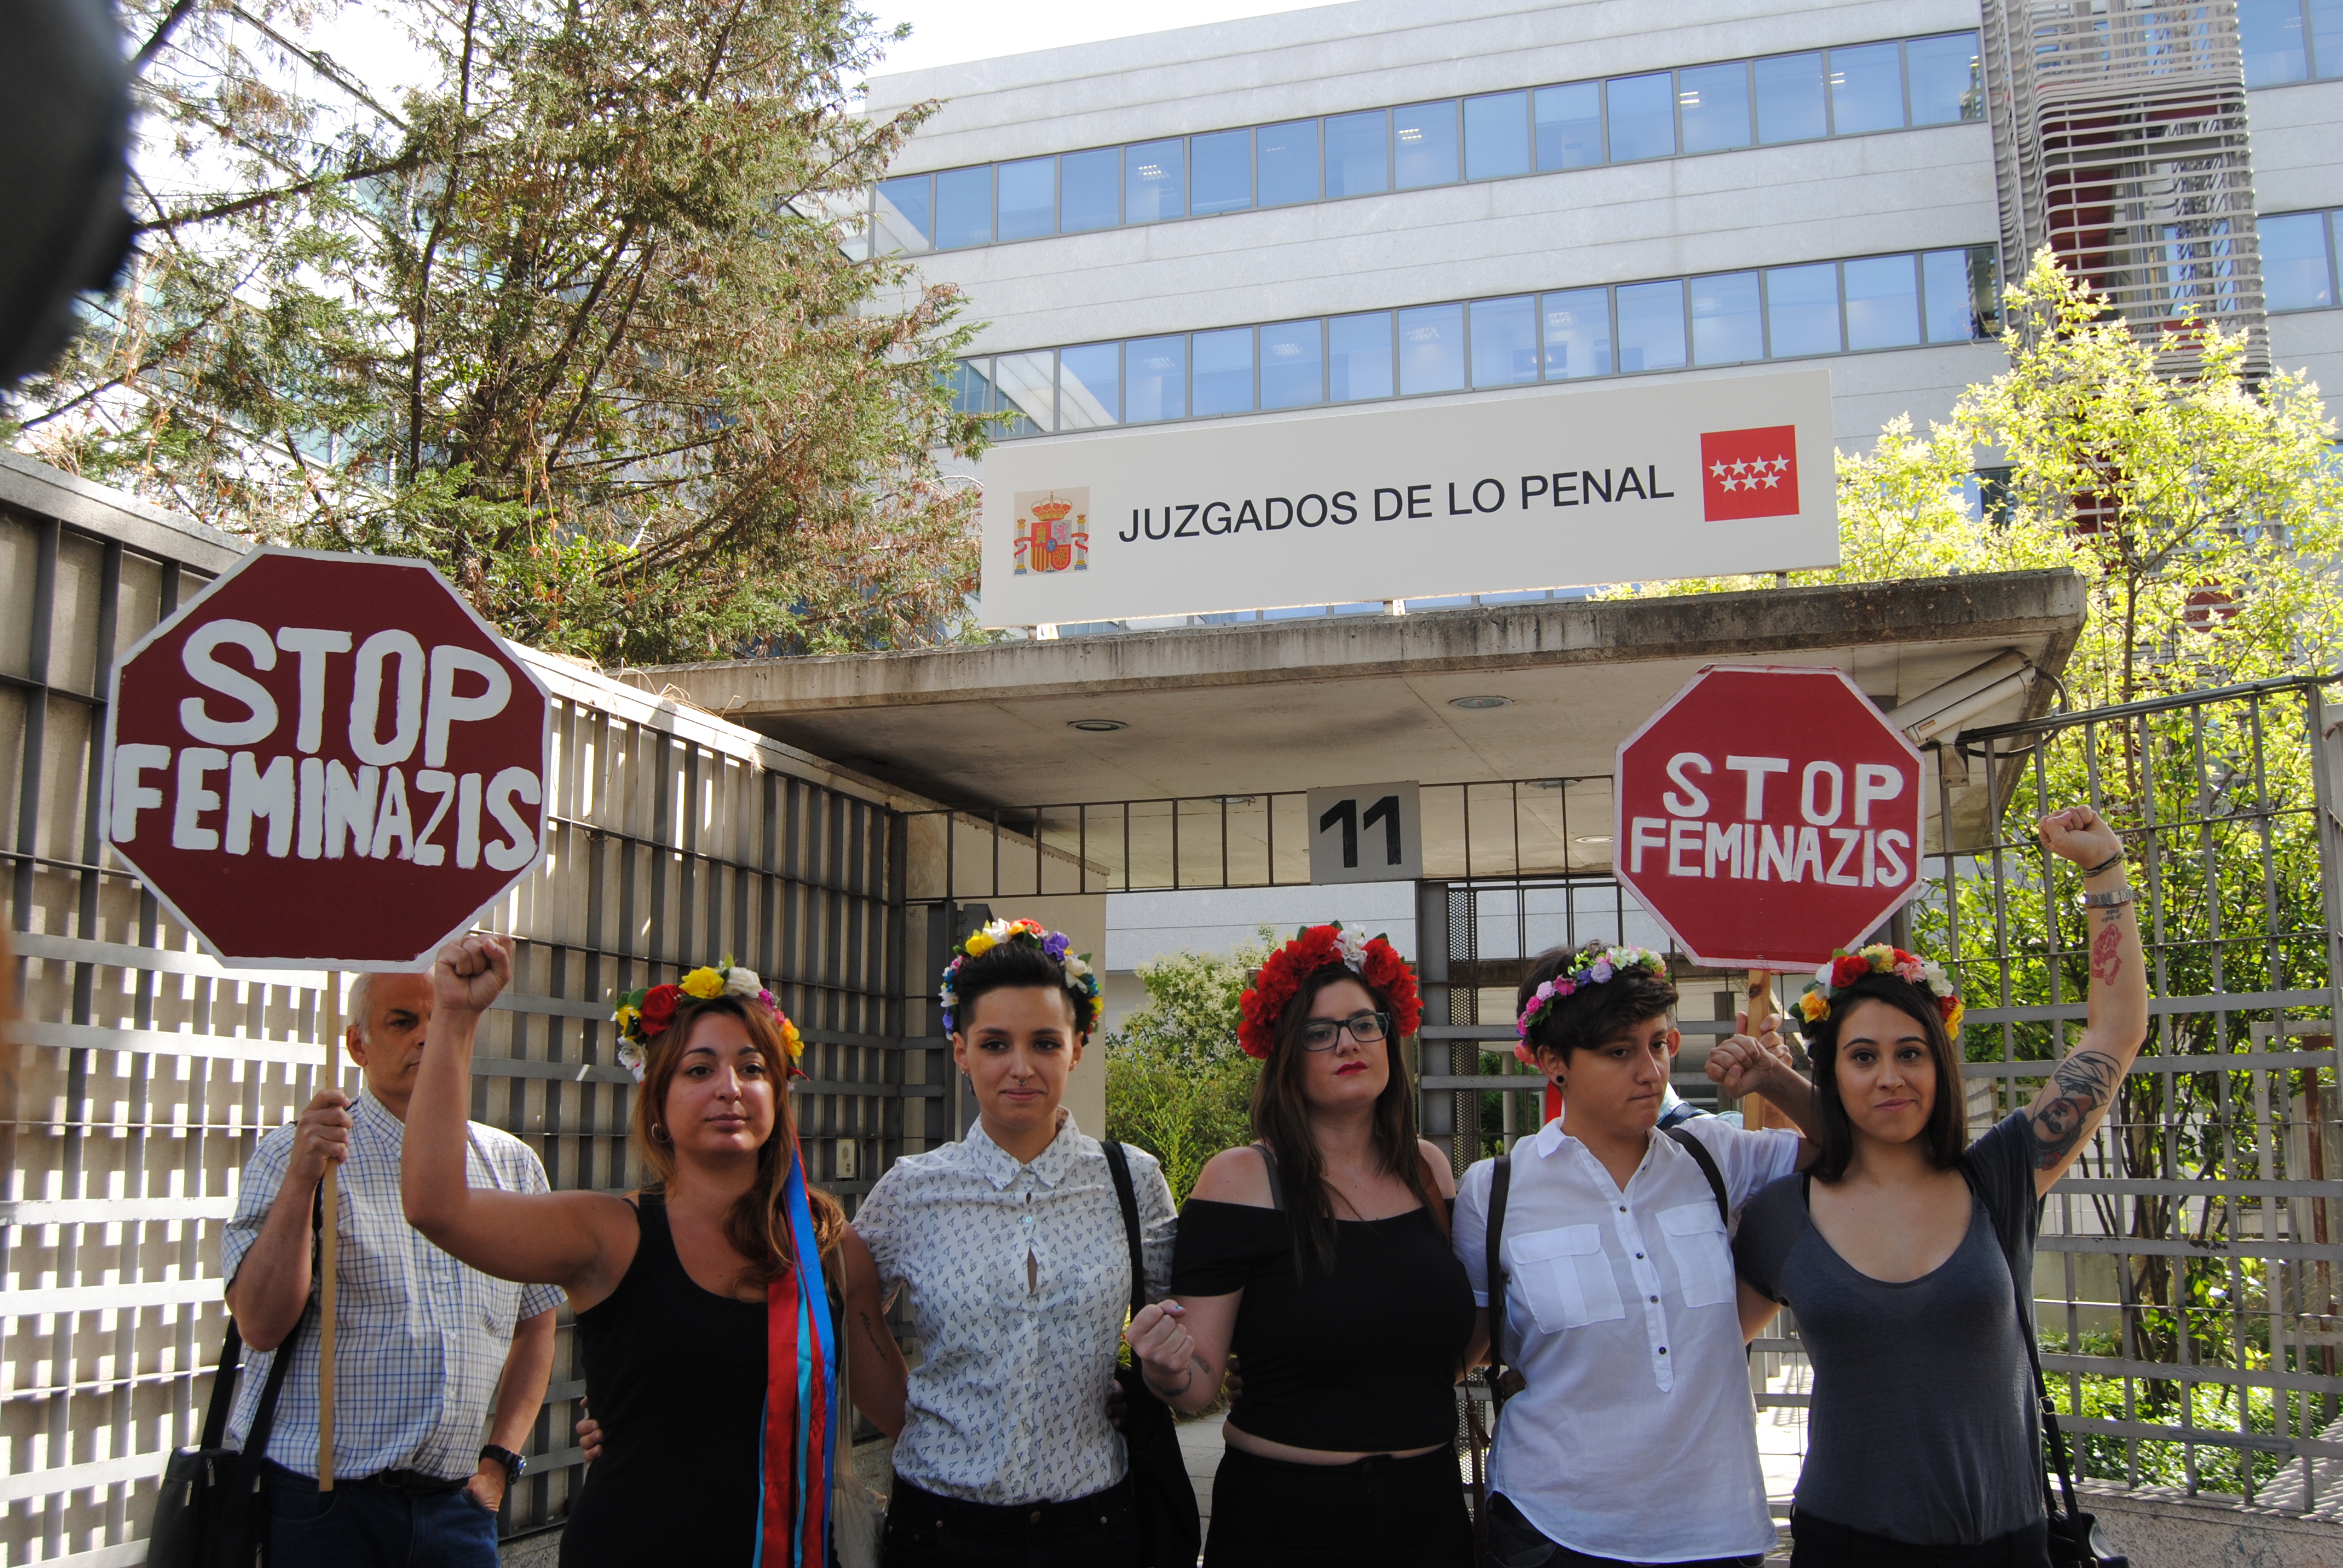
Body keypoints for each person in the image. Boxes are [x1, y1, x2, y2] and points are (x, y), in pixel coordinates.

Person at [399, 935, 906, 1567]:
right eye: (699, 1070)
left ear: (778, 1096)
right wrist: (454, 1017)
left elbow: (909, 1421)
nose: (730, 1087)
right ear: (658, 1105)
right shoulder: (606, 1235)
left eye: (752, 1069)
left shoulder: (830, 1248)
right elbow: (436, 1206)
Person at [1734, 806, 2149, 1567]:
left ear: (1940, 1068)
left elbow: (2113, 1036)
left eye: (1910, 1053)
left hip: (2009, 1546)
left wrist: (2104, 874)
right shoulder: (1777, 1218)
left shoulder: (2001, 1177)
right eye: (1861, 1057)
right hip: (1844, 1547)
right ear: (1831, 1073)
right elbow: (1699, 1351)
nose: (1889, 1076)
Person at [1455, 941, 1824, 1568]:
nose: (1650, 1071)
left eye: (1658, 1044)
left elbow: (1855, 1149)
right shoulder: (1494, 1190)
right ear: (1551, 1062)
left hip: (1716, 1531)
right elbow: (1468, 1345)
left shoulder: (1713, 1154)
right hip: (1552, 1529)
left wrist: (1770, 1076)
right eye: (1619, 1052)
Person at [1125, 923, 1475, 1568]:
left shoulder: (1427, 1170)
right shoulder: (1239, 1178)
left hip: (1429, 1514)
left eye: (1364, 1024)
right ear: (1285, 1053)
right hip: (1285, 1523)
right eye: (1319, 1032)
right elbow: (1196, 1384)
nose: (1348, 1043)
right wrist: (1165, 1367)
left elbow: (1438, 1348)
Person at [852, 918, 1174, 1568]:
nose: (1020, 1068)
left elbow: (1192, 1324)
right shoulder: (913, 1190)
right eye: (995, 1044)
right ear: (961, 1049)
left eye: (1045, 1043)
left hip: (1095, 1524)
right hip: (939, 1529)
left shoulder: (1132, 1179)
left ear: (1077, 1048)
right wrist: (919, 1423)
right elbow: (831, 1318)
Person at [220, 969, 560, 1568]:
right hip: (324, 1503)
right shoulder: (301, 1154)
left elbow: (536, 1323)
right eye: (403, 1023)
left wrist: (499, 1462)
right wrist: (303, 1180)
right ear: (357, 1045)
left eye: (441, 1021)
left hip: (458, 1506)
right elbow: (260, 1325)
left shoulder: (512, 1166)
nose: (427, 1037)